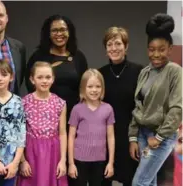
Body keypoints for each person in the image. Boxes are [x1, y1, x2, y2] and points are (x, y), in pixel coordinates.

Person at [128, 13, 182, 186]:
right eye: (152, 49)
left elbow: (177, 109)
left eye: (161, 49)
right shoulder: (145, 72)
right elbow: (138, 106)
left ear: (170, 49)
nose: (156, 54)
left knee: (139, 182)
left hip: (162, 137)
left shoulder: (175, 71)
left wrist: (158, 138)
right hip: (143, 133)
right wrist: (133, 137)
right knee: (149, 182)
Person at [98, 26, 143, 186]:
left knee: (131, 179)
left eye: (118, 43)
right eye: (109, 44)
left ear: (126, 46)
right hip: (104, 137)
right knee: (103, 179)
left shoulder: (140, 72)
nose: (114, 48)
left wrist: (134, 139)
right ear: (105, 49)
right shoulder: (100, 74)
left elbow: (143, 108)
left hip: (130, 136)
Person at [25, 14, 88, 124]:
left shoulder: (78, 57)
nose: (59, 34)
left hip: (73, 116)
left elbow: (84, 87)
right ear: (48, 34)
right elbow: (30, 85)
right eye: (54, 30)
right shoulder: (38, 57)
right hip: (43, 116)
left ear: (69, 32)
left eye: (63, 30)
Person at [17, 62, 68, 186]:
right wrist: (22, 161)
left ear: (53, 79)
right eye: (40, 77)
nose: (44, 81)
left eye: (48, 77)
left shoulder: (60, 103)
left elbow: (62, 133)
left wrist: (62, 160)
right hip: (31, 153)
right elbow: (19, 133)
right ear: (32, 79)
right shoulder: (24, 103)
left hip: (53, 153)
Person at [67, 69, 115, 186]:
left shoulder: (108, 109)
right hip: (79, 160)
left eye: (98, 86)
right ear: (83, 88)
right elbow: (71, 137)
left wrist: (110, 163)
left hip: (100, 161)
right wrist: (71, 163)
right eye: (90, 86)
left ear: (102, 88)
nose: (94, 90)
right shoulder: (77, 109)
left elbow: (110, 137)